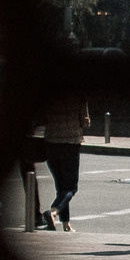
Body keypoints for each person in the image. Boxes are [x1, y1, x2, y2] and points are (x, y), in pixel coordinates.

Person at [36, 94, 88, 231]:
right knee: (70, 187)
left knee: (60, 186)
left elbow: (41, 117)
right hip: (71, 143)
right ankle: (53, 212)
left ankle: (66, 224)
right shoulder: (79, 95)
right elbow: (85, 121)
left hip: (51, 141)